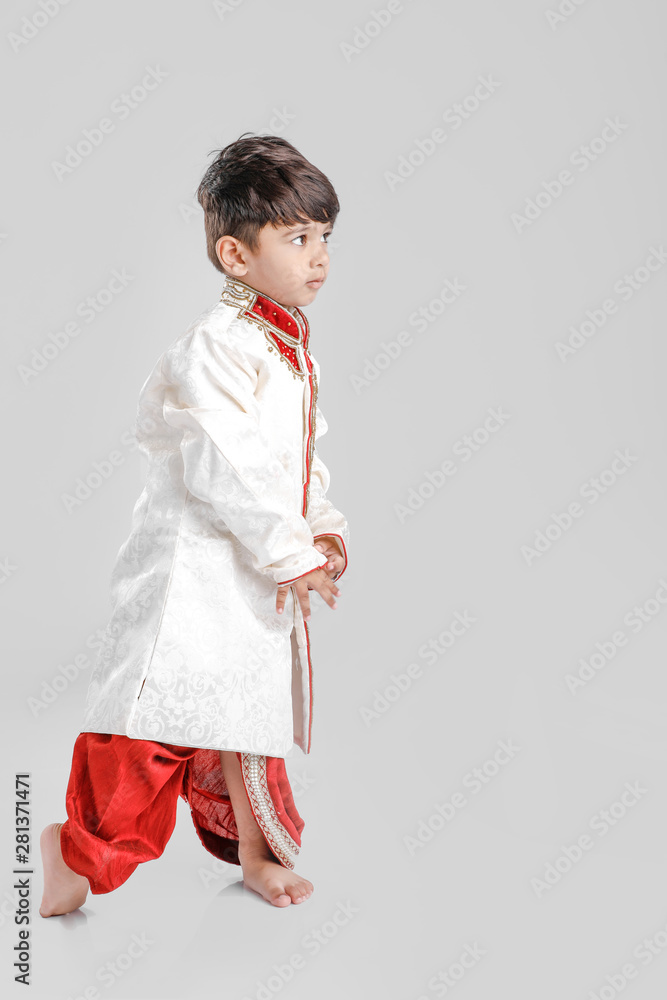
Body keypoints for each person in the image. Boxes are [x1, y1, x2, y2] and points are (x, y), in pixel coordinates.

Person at [39, 134, 350, 915]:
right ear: (234, 255)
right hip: (194, 576)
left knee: (249, 718)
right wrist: (289, 552)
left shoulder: (291, 352)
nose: (319, 256)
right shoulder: (215, 348)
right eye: (297, 238)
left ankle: (257, 855)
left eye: (323, 237)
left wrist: (319, 532)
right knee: (153, 727)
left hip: (256, 568)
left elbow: (298, 462)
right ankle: (73, 850)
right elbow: (224, 463)